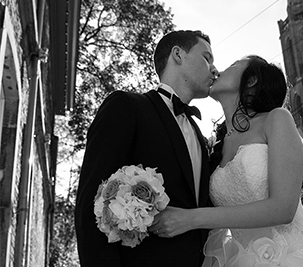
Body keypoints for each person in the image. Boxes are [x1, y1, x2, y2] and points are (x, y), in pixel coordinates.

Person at [149, 55, 303, 267]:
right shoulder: (216, 145)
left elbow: (283, 209)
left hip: (297, 256)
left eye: (233, 64)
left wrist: (189, 219)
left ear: (252, 79)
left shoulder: (276, 119)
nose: (217, 69)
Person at [75, 30, 219, 267]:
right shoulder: (127, 107)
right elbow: (89, 208)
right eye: (207, 58)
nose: (214, 69)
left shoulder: (198, 134)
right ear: (178, 55)